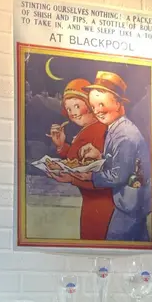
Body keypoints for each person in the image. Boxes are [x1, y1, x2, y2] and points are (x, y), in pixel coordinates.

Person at [68, 71, 152, 243]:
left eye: (101, 104)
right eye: (93, 106)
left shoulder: (125, 135)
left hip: (129, 206)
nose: (97, 111)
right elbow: (123, 162)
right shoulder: (117, 128)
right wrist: (99, 155)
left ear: (118, 103)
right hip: (134, 203)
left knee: (114, 242)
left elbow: (118, 175)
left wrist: (90, 176)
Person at [46, 78, 115, 241]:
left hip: (102, 205)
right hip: (91, 203)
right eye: (69, 108)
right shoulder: (88, 129)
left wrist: (71, 178)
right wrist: (61, 146)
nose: (73, 113)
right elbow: (77, 161)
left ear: (90, 105)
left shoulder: (99, 131)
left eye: (77, 106)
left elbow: (102, 177)